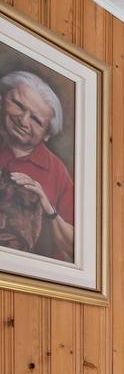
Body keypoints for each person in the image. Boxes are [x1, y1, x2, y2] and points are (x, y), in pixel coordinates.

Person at [0, 70, 74, 260]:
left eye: (36, 120)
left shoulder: (57, 171)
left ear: (47, 134)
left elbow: (75, 246)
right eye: (17, 104)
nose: (23, 121)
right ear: (2, 98)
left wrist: (47, 207)